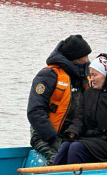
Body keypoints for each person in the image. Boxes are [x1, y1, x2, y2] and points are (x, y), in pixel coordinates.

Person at [53, 54, 107, 165]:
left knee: (76, 148)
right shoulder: (89, 93)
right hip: (91, 139)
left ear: (106, 75)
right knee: (66, 145)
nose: (91, 79)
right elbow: (80, 118)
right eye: (91, 75)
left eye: (94, 75)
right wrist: (72, 132)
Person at [27, 35, 91, 165]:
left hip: (74, 133)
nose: (88, 60)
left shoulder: (84, 77)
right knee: (58, 158)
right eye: (85, 56)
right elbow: (35, 111)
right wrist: (52, 138)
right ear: (75, 58)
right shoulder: (48, 75)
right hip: (46, 136)